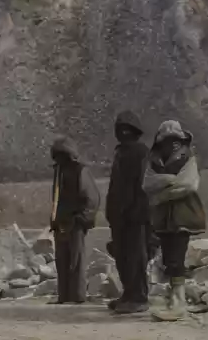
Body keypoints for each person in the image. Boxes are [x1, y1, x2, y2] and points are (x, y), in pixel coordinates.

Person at [144, 120, 207, 322]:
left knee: (176, 258)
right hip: (163, 218)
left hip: (183, 215)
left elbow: (188, 185)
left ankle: (178, 302)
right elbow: (147, 183)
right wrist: (169, 179)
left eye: (175, 140)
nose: (173, 144)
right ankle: (174, 300)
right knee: (169, 257)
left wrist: (161, 195)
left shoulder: (188, 158)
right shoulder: (154, 160)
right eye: (169, 140)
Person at [105, 110, 151, 314]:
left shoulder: (140, 152)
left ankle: (139, 296)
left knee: (135, 257)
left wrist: (137, 211)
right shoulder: (120, 152)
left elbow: (142, 185)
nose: (123, 133)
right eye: (120, 129)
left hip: (134, 215)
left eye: (127, 129)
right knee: (122, 256)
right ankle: (128, 293)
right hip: (118, 215)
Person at [50, 136, 100, 305]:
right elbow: (56, 199)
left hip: (75, 222)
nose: (59, 159)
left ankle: (78, 297)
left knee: (76, 261)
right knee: (61, 260)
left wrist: (83, 218)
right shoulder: (58, 172)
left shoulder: (81, 171)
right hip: (60, 223)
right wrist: (54, 220)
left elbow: (92, 198)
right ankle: (63, 296)